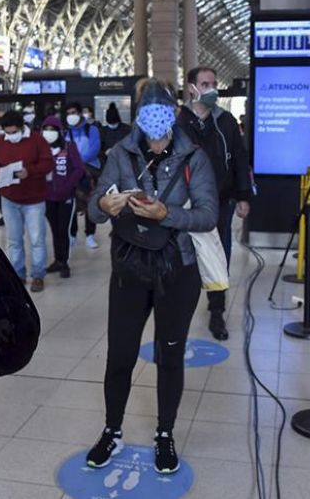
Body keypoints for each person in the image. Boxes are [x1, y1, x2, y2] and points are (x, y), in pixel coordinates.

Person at [86, 78, 217, 474]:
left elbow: (209, 215)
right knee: (120, 353)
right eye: (148, 114)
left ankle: (165, 433)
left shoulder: (194, 157)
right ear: (138, 117)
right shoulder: (121, 155)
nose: (155, 124)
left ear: (173, 115)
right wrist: (105, 205)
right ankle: (112, 430)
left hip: (178, 268)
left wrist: (168, 215)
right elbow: (93, 208)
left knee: (170, 354)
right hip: (130, 265)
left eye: (161, 114)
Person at [177, 66, 252, 341]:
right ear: (191, 88)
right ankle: (180, 309)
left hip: (222, 201)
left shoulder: (226, 122)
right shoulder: (178, 122)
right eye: (204, 84)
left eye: (213, 84)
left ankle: (217, 311)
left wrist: (243, 195)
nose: (211, 89)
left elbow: (241, 160)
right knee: (185, 256)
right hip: (185, 203)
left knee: (219, 257)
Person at [0, 110, 53, 292]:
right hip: (9, 199)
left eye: (14, 132)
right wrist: (1, 173)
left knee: (37, 239)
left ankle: (38, 275)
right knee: (14, 240)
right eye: (7, 132)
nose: (10, 136)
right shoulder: (0, 143)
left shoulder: (37, 140)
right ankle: (18, 275)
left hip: (34, 200)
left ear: (22, 128)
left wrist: (29, 171)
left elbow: (48, 163)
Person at [42, 115, 85, 279]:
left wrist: (68, 186)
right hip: (48, 197)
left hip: (66, 197)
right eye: (46, 129)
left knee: (63, 229)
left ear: (59, 132)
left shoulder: (69, 147)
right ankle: (57, 260)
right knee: (54, 230)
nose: (49, 133)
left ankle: (64, 262)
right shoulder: (41, 148)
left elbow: (78, 169)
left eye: (52, 130)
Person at [65, 101, 101, 249]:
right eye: (68, 114)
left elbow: (94, 148)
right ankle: (72, 234)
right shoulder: (67, 132)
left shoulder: (91, 129)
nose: (70, 116)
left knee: (90, 202)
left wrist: (78, 162)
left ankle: (90, 235)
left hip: (89, 171)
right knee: (72, 204)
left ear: (80, 113)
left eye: (73, 113)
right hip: (73, 172)